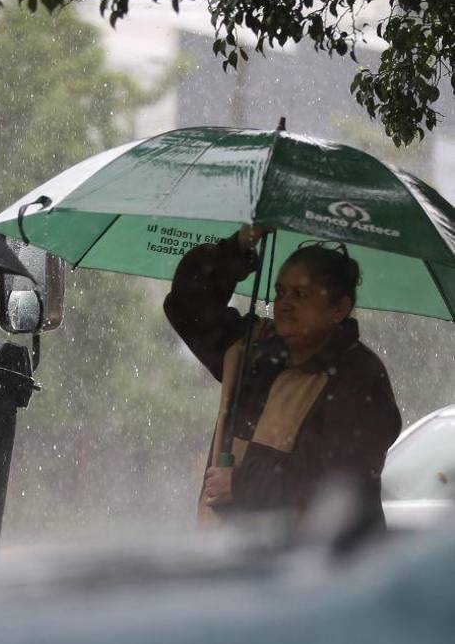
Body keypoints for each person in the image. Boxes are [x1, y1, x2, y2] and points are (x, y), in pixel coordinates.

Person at [165, 224, 401, 527]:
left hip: (314, 555)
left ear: (339, 309)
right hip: (228, 551)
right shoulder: (254, 348)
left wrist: (240, 486)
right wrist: (238, 247)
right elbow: (187, 305)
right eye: (280, 292)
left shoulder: (359, 376)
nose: (285, 304)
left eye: (301, 294)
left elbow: (341, 481)